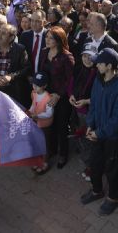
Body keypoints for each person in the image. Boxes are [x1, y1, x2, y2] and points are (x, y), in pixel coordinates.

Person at [80, 48, 118, 216]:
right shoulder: (98, 80)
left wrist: (99, 133)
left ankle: (113, 198)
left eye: (99, 63)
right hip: (96, 133)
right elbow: (93, 105)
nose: (96, 65)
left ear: (109, 66)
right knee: (95, 163)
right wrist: (90, 124)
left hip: (111, 138)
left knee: (111, 168)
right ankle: (96, 190)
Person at [38, 26, 75, 170]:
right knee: (49, 125)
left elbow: (70, 79)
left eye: (50, 38)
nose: (46, 40)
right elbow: (41, 72)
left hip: (61, 97)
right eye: (46, 37)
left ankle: (63, 154)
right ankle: (51, 150)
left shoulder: (67, 56)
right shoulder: (44, 52)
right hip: (46, 95)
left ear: (59, 40)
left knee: (61, 126)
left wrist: (58, 94)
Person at [28, 72, 54, 174]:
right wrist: (30, 112)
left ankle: (45, 162)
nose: (35, 87)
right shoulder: (34, 93)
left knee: (45, 144)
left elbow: (49, 113)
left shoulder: (48, 97)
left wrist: (37, 116)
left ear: (45, 86)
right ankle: (39, 160)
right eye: (34, 84)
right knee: (37, 143)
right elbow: (33, 105)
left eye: (38, 85)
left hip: (45, 126)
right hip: (36, 124)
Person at [20, 10, 48, 76]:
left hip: (44, 77)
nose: (33, 24)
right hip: (27, 76)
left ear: (44, 22)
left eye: (37, 21)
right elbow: (22, 58)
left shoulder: (49, 35)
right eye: (32, 20)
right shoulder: (25, 35)